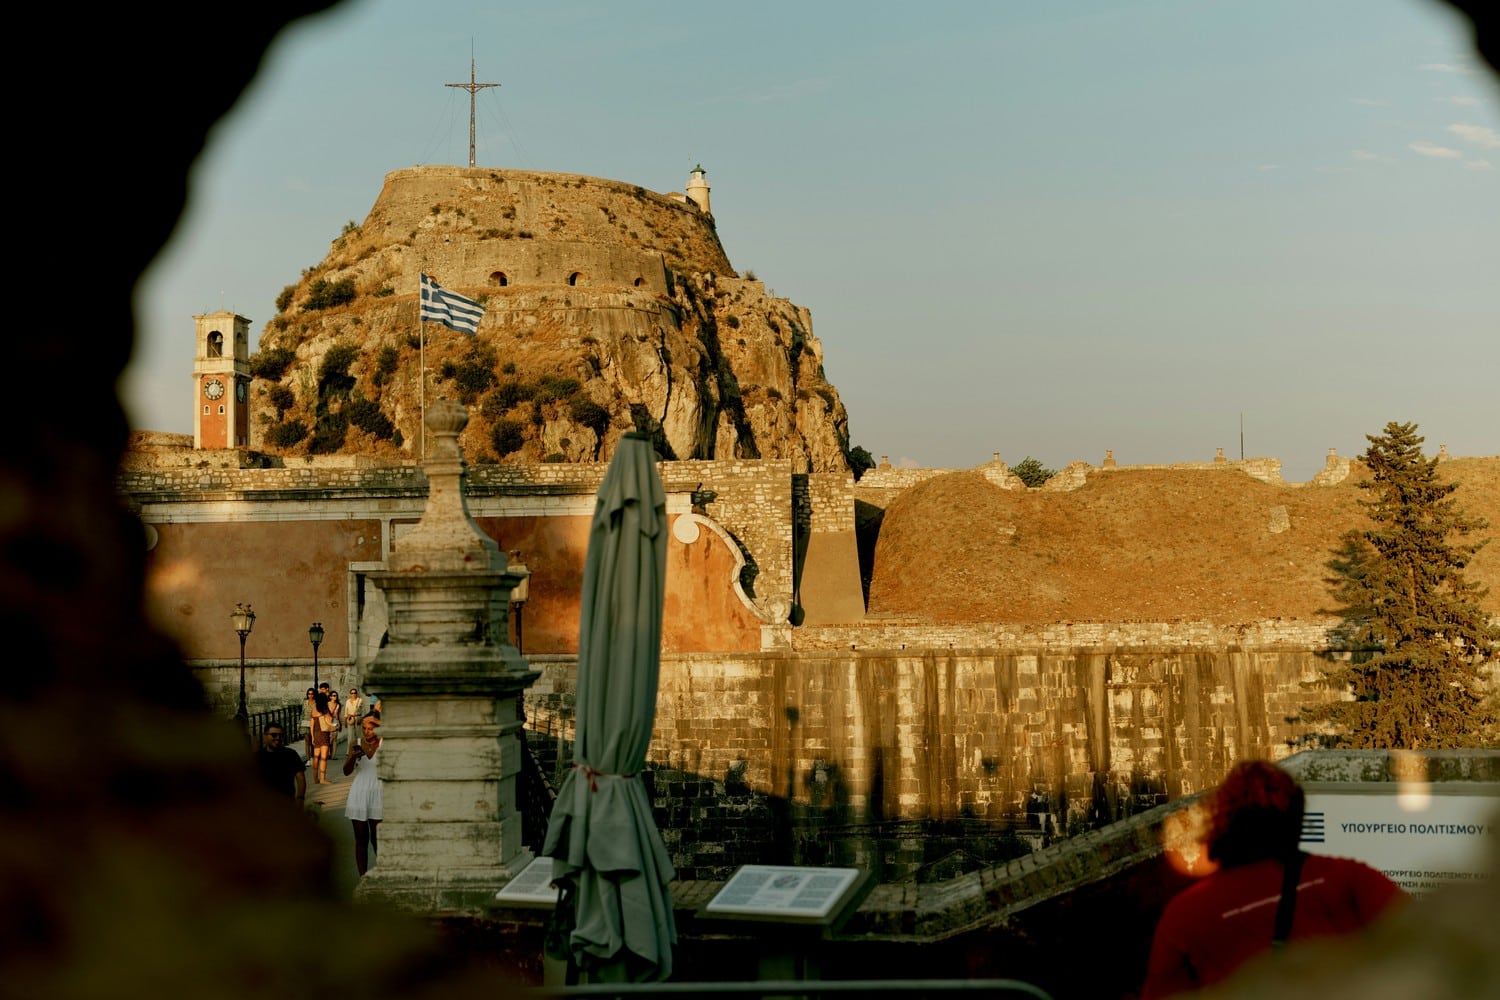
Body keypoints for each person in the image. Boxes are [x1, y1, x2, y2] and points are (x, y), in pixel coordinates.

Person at [1141, 759, 1408, 998]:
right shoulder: (1345, 878)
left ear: (1222, 823)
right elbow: (1425, 944)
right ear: (1296, 818)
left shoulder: (1185, 914)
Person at [343, 714, 383, 876]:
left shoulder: (386, 744)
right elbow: (346, 772)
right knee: (361, 839)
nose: (367, 732)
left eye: (371, 728)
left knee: (378, 838)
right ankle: (363, 877)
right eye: (364, 728)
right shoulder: (356, 744)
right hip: (359, 793)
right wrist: (353, 757)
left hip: (379, 792)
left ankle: (383, 874)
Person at [253, 723, 306, 805]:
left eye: (280, 735)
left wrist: (300, 798)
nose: (278, 738)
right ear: (265, 736)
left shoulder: (291, 754)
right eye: (274, 735)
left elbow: (300, 777)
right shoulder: (257, 757)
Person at [309, 691, 336, 785]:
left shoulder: (313, 710)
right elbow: (330, 721)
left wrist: (312, 737)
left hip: (316, 735)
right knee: (323, 758)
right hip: (324, 735)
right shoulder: (325, 710)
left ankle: (315, 779)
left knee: (316, 757)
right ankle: (323, 779)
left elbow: (311, 725)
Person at [301, 687, 317, 758]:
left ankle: (312, 756)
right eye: (309, 694)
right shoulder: (305, 702)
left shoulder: (316, 703)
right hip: (305, 723)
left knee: (312, 741)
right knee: (307, 741)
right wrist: (299, 724)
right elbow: (302, 713)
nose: (310, 695)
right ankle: (308, 758)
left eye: (312, 694)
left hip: (313, 723)